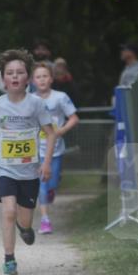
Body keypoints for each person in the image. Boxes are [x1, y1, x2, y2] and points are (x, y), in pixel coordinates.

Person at [0, 49, 55, 275]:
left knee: (25, 217)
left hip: (29, 171)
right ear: (3, 79)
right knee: (8, 211)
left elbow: (50, 134)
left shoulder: (37, 104)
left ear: (27, 78)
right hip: (4, 167)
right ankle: (9, 259)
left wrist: (46, 163)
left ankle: (25, 227)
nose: (15, 76)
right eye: (10, 73)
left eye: (20, 72)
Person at [32, 61, 78, 234]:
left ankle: (51, 192)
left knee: (52, 184)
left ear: (51, 79)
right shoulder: (30, 100)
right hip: (37, 151)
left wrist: (60, 131)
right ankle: (45, 220)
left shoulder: (60, 97)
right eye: (38, 77)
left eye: (45, 76)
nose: (42, 80)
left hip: (56, 149)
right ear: (33, 81)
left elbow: (74, 118)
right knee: (42, 185)